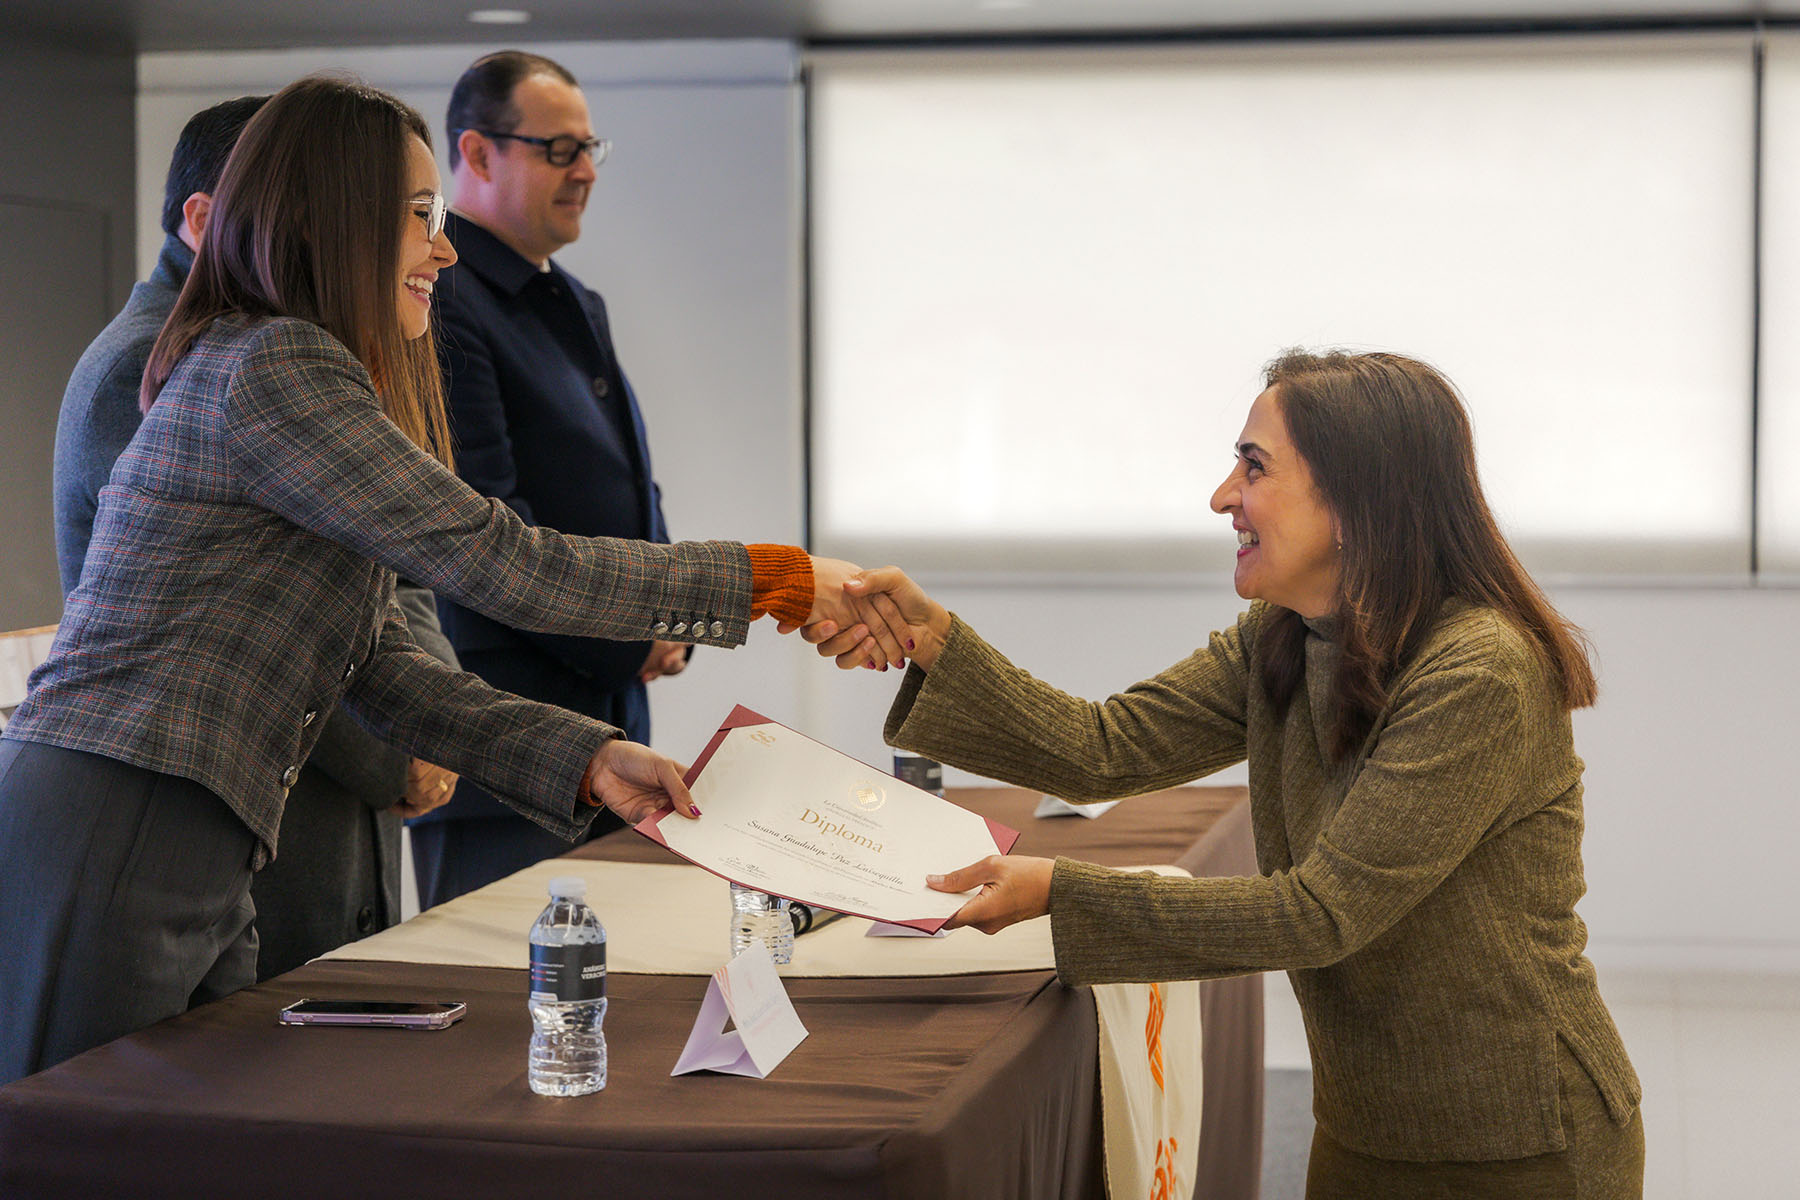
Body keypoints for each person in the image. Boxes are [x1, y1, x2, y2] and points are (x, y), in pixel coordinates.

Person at [0, 75, 900, 1086]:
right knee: (72, 1150)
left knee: (206, 1147)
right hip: (120, 818)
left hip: (197, 837)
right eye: (422, 217)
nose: (446, 247)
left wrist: (585, 758)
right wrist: (772, 581)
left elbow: (380, 668)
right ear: (332, 221)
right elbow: (501, 560)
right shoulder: (275, 364)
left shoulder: (294, 367)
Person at [822, 351, 1644, 1196]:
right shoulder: (1280, 635)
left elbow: (1320, 914)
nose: (1223, 496)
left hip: (1524, 1146)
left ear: (1357, 504)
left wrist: (1056, 893)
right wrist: (935, 640)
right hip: (1368, 1131)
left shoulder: (1480, 671)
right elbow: (1100, 748)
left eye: (1254, 467)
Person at [50, 95, 460, 981]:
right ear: (214, 218)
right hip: (246, 812)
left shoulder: (299, 352)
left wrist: (433, 731)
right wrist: (401, 755)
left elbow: (392, 577)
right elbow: (253, 611)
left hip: (312, 803)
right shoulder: (167, 361)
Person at [407, 51, 689, 908]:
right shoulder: (445, 302)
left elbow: (628, 488)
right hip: (509, 742)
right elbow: (485, 525)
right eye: (558, 149)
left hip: (607, 721)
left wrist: (668, 612)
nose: (586, 171)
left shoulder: (569, 297)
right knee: (511, 1013)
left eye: (590, 147)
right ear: (479, 154)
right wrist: (629, 636)